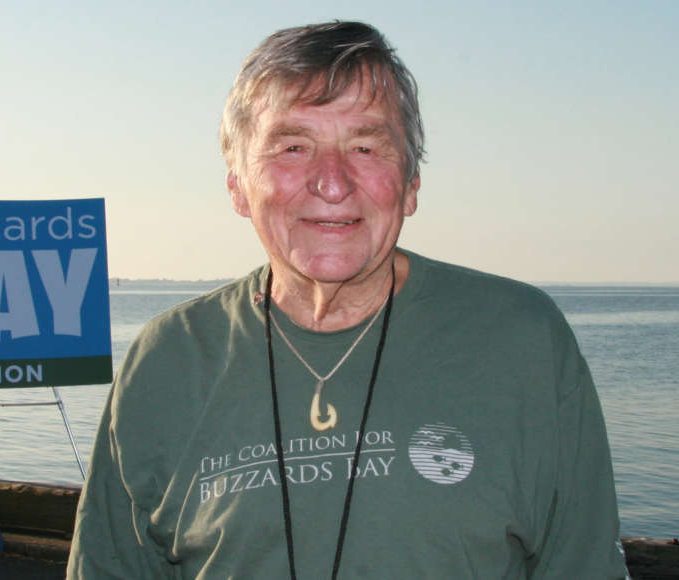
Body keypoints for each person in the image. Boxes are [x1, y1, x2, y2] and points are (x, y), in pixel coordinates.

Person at [68, 21, 630, 579]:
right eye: (293, 147)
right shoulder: (166, 359)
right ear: (238, 186)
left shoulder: (522, 340)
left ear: (410, 184)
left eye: (365, 145)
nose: (332, 183)